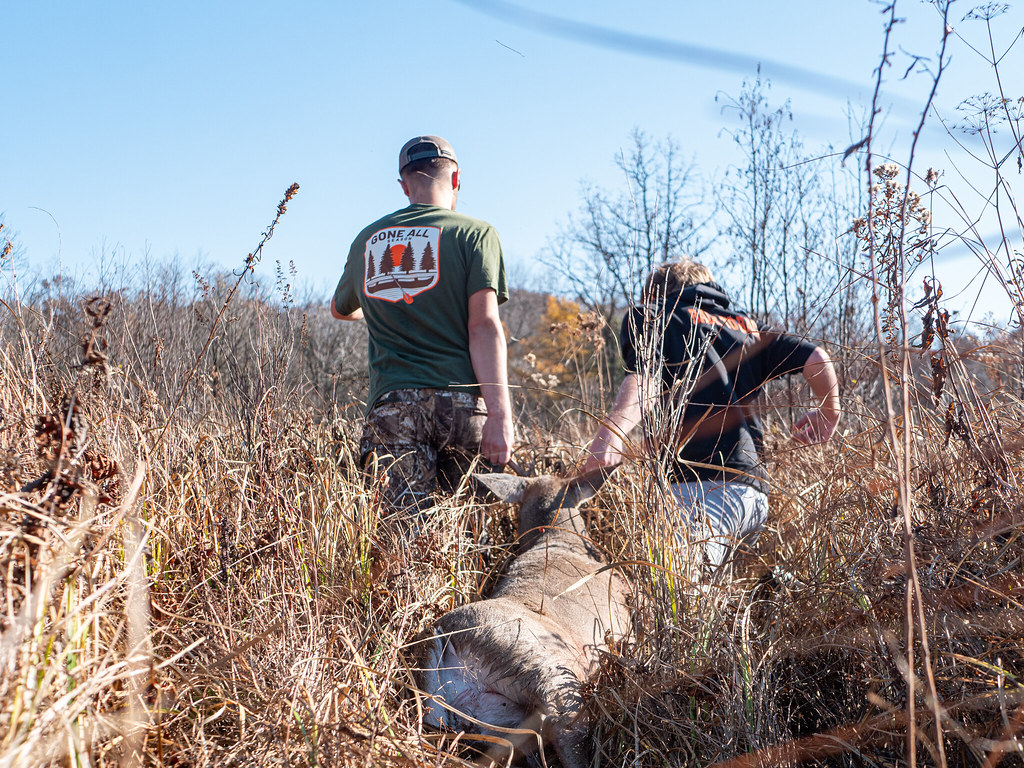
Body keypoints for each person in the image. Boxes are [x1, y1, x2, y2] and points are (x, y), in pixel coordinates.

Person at [584, 259, 841, 569]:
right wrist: (829, 413)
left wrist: (610, 435)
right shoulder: (747, 328)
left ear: (654, 294)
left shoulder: (654, 316)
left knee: (683, 593)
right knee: (725, 606)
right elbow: (816, 357)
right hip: (754, 497)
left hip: (701, 492)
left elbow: (647, 379)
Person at [331, 135, 514, 516]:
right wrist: (500, 416)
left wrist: (379, 304)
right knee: (467, 542)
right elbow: (483, 326)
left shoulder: (368, 239)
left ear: (404, 185)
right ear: (456, 178)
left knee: (401, 544)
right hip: (462, 407)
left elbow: (339, 309)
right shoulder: (476, 234)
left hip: (393, 408)